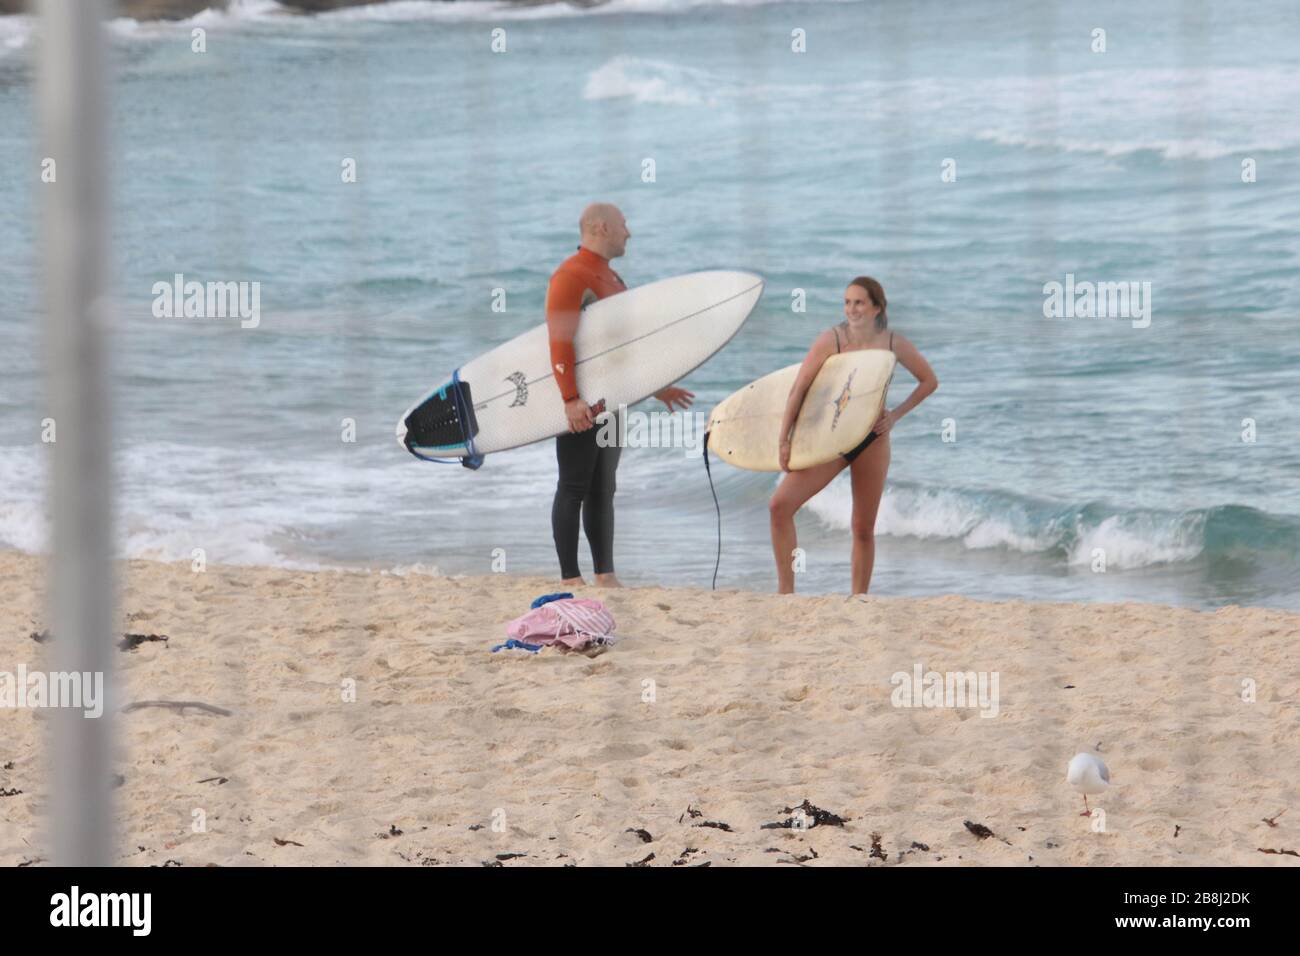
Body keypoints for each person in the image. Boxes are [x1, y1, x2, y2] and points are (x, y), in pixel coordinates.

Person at [545, 203, 693, 587]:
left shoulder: (612, 277)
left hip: (613, 401)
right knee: (574, 484)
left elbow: (621, 348)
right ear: (601, 227)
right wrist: (569, 399)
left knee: (603, 487)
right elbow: (559, 339)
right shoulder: (570, 275)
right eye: (624, 225)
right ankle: (570, 577)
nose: (629, 232)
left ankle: (605, 574)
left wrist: (655, 386)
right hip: (584, 400)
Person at [769, 276, 937, 595]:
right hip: (830, 439)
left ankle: (859, 600)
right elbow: (799, 389)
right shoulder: (831, 339)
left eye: (859, 302)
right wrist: (784, 437)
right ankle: (786, 594)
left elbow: (929, 381)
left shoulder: (892, 344)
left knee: (862, 528)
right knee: (779, 505)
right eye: (847, 302)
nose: (851, 309)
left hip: (871, 438)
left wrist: (895, 416)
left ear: (877, 307)